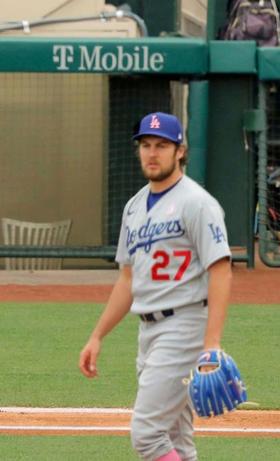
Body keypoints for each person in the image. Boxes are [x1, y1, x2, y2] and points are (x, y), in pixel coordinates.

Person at [78, 112, 233, 460]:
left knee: (146, 434)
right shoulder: (134, 207)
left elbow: (221, 271)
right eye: (146, 145)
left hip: (184, 327)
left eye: (161, 145)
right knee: (177, 438)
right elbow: (127, 279)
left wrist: (212, 343)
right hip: (148, 331)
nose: (152, 152)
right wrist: (97, 336)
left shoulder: (197, 203)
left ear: (180, 151)